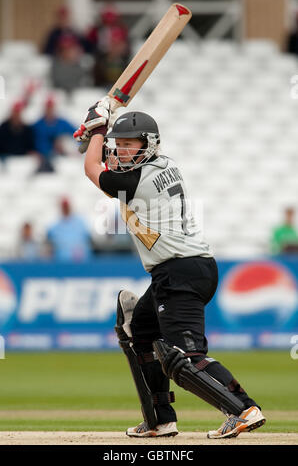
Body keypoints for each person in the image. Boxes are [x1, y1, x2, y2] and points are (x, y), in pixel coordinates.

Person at [74, 98, 266, 439]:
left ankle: (243, 408)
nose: (121, 152)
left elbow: (93, 169)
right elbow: (105, 163)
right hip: (185, 268)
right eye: (118, 146)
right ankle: (160, 419)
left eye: (129, 145)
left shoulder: (138, 182)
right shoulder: (162, 164)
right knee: (138, 328)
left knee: (185, 358)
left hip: (181, 271)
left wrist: (98, 130)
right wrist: (98, 136)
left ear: (148, 145)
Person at [86, 4, 130, 87]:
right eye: (114, 43)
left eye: (118, 44)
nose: (116, 47)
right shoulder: (99, 64)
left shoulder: (128, 63)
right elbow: (97, 85)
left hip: (121, 94)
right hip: (104, 92)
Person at [33, 96, 75, 171]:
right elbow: (30, 142)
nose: (49, 110)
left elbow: (78, 135)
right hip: (41, 159)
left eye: (51, 108)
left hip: (60, 158)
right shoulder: (37, 125)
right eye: (48, 108)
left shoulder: (63, 123)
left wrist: (66, 146)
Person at [46, 197, 92, 261]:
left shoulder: (80, 223)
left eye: (66, 206)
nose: (65, 208)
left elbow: (88, 240)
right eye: (64, 206)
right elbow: (50, 244)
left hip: (80, 261)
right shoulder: (54, 226)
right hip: (61, 261)